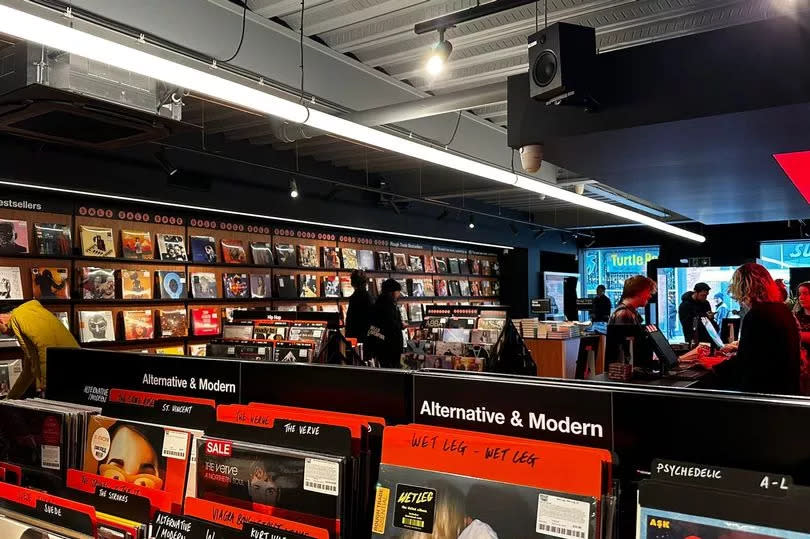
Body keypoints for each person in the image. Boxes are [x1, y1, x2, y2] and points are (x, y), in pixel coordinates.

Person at [715, 263, 800, 395]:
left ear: (744, 287)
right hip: (785, 389)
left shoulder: (757, 314)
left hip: (763, 393)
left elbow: (745, 363)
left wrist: (714, 366)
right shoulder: (782, 310)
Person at [368, 279, 404, 368]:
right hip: (390, 346)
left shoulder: (378, 303)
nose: (399, 294)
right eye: (398, 292)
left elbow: (374, 329)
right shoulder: (388, 306)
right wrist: (401, 325)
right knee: (392, 370)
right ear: (392, 292)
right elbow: (391, 326)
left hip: (382, 344)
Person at [345, 270, 373, 343]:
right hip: (366, 338)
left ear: (352, 283)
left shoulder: (354, 298)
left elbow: (350, 322)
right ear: (365, 282)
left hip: (355, 337)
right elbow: (372, 321)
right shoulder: (368, 297)